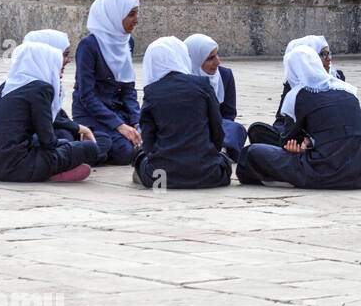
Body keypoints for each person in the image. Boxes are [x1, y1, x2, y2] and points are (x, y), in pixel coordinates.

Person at [237, 46, 361, 189]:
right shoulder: (348, 90)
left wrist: (304, 146)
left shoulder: (300, 94)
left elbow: (287, 141)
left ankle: (278, 179)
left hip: (326, 172)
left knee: (251, 153)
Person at [0, 42, 99, 183]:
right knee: (89, 148)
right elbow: (48, 141)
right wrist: (67, 144)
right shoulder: (41, 89)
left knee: (63, 141)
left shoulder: (6, 86)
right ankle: (51, 173)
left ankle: (52, 170)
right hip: (14, 167)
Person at [132, 37, 233, 189]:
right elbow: (217, 129)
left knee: (138, 155)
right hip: (209, 174)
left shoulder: (152, 92)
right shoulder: (203, 84)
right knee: (224, 159)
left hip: (161, 177)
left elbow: (148, 140)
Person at [72, 0, 142, 165]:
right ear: (114, 15)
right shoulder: (89, 46)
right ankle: (82, 149)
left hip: (118, 111)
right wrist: (119, 125)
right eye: (131, 15)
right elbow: (87, 95)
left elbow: (128, 89)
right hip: (92, 114)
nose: (136, 20)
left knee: (142, 143)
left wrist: (135, 121)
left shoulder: (127, 42)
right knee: (124, 152)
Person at [246, 35, 345, 146]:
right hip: (295, 133)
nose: (329, 58)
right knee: (257, 130)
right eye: (323, 54)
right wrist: (287, 135)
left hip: (324, 134)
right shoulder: (293, 82)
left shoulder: (337, 79)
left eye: (329, 53)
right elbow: (281, 118)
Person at [184, 33, 247, 161]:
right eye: (210, 58)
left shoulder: (225, 75)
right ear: (195, 60)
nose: (217, 62)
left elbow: (229, 114)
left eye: (217, 55)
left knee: (235, 129)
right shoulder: (182, 78)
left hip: (218, 127)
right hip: (190, 128)